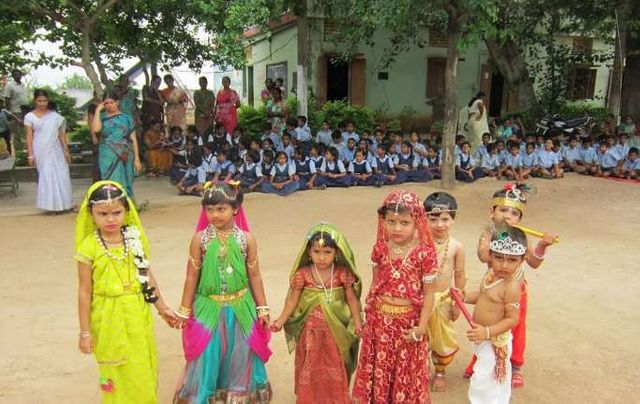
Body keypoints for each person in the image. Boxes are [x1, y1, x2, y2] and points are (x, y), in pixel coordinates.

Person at [74, 181, 177, 402]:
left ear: (127, 211)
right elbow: (84, 291)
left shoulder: (134, 240)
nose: (110, 219)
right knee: (115, 372)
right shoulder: (89, 247)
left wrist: (162, 308)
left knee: (140, 368)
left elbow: (146, 276)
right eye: (102, 213)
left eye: (117, 213)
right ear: (91, 214)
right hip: (107, 317)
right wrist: (85, 332)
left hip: (137, 315)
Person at [173, 182, 272, 403]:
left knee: (241, 351)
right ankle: (206, 394)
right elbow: (191, 276)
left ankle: (238, 395)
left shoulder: (247, 239)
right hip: (208, 307)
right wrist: (184, 310)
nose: (214, 214)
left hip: (241, 307)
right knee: (208, 353)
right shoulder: (200, 240)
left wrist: (262, 308)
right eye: (209, 209)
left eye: (221, 209)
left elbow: (254, 275)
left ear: (235, 208)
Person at [464, 184, 557, 388]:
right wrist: (499, 234)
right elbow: (483, 256)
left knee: (515, 326)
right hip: (493, 288)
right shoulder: (488, 233)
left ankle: (515, 366)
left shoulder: (521, 237)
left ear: (519, 219)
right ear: (492, 212)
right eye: (503, 210)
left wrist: (542, 246)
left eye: (514, 213)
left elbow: (533, 262)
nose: (508, 216)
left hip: (517, 290)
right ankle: (479, 361)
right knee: (485, 322)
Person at [352, 190, 438, 403]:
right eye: (391, 221)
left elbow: (429, 295)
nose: (397, 228)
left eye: (404, 222)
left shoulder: (425, 254)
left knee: (405, 375)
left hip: (408, 326)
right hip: (380, 324)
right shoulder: (380, 249)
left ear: (417, 221)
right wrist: (369, 319)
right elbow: (376, 285)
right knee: (380, 371)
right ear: (383, 221)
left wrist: (421, 328)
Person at [271, 223, 363, 403]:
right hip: (310, 331)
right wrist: (280, 321)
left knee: (336, 363)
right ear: (308, 252)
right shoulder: (303, 274)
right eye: (316, 252)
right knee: (310, 364)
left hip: (336, 331)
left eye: (327, 252)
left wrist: (358, 323)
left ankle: (336, 397)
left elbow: (352, 300)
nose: (321, 257)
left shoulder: (342, 274)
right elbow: (292, 301)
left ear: (337, 253)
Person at [464, 225, 525, 404]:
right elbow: (483, 295)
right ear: (490, 255)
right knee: (486, 378)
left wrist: (487, 332)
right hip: (482, 338)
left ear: (521, 260)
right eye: (499, 258)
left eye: (512, 260)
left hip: (495, 341)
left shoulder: (511, 287)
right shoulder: (491, 273)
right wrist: (466, 296)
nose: (504, 265)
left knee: (486, 379)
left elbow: (513, 319)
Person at [424, 192, 466, 392]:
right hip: (420, 299)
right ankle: (418, 370)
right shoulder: (418, 242)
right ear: (424, 219)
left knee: (441, 339)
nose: (439, 224)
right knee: (420, 335)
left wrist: (458, 303)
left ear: (453, 219)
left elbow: (459, 276)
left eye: (445, 219)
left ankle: (440, 371)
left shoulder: (457, 247)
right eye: (433, 219)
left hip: (443, 300)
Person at [24, 89, 74, 213]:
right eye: (39, 101)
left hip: (56, 149)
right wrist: (30, 155)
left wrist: (66, 151)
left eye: (44, 100)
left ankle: (65, 204)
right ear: (35, 101)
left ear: (48, 101)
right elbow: (29, 136)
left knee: (62, 174)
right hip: (41, 150)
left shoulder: (55, 116)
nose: (42, 103)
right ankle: (50, 206)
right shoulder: (29, 117)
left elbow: (61, 134)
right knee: (46, 176)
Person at [91, 91, 141, 199]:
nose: (109, 105)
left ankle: (126, 203)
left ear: (117, 102)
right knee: (110, 180)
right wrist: (98, 110)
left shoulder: (127, 118)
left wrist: (137, 158)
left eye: (112, 102)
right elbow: (96, 129)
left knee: (127, 179)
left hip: (125, 152)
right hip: (107, 154)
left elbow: (133, 138)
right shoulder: (102, 117)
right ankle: (113, 203)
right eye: (106, 103)